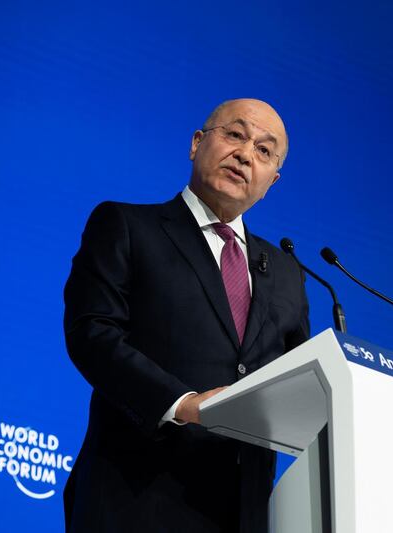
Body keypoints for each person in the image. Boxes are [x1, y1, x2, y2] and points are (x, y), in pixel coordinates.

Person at [63, 99, 310, 533]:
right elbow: (93, 333)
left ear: (272, 180)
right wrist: (182, 404)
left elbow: (299, 383)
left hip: (241, 511)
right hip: (136, 497)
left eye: (264, 150)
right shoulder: (126, 226)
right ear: (198, 143)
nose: (246, 154)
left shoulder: (287, 272)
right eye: (235, 134)